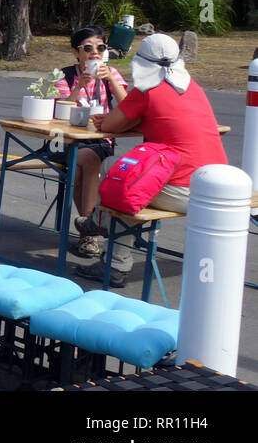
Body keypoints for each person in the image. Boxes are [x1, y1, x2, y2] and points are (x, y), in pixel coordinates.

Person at [73, 33, 227, 286]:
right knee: (135, 178)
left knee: (121, 174)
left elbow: (111, 124)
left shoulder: (147, 89)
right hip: (216, 186)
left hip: (183, 190)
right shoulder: (193, 87)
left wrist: (120, 119)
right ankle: (101, 224)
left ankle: (109, 248)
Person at [50, 25, 129, 258]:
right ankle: (89, 229)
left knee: (85, 160)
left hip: (100, 139)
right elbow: (61, 112)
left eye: (100, 47)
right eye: (88, 48)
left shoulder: (111, 73)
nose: (95, 53)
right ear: (76, 52)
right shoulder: (63, 75)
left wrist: (112, 82)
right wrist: (81, 85)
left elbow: (128, 107)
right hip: (67, 139)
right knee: (79, 163)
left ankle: (88, 230)